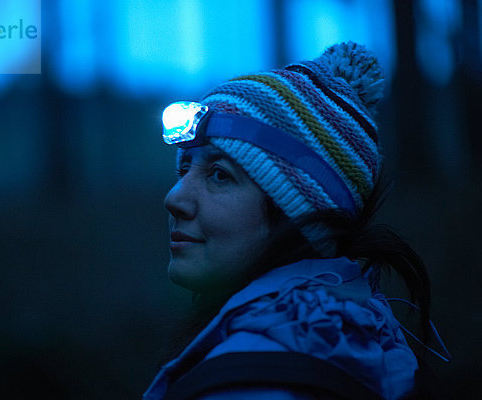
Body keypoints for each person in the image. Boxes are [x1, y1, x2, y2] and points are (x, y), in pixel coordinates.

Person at [144, 42, 449, 400]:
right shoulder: (356, 336)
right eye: (184, 168)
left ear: (301, 210)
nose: (175, 198)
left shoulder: (253, 380)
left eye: (220, 175)